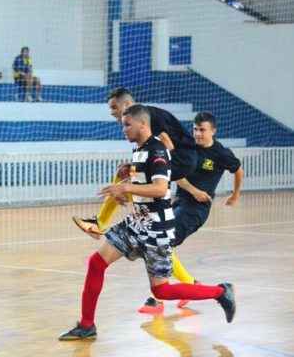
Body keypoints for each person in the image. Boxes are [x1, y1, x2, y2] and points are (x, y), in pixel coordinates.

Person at [59, 104, 236, 341]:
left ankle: (220, 292)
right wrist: (126, 188)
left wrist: (126, 186)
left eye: (127, 124)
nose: (123, 129)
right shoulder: (139, 150)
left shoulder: (158, 150)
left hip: (156, 228)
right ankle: (87, 324)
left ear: (143, 124)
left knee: (161, 289)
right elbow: (143, 186)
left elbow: (161, 188)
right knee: (96, 263)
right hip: (137, 223)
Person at [138, 111, 244, 313]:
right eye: (195, 129)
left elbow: (238, 169)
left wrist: (235, 194)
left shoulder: (221, 153)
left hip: (196, 209)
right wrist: (194, 190)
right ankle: (189, 287)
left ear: (213, 130)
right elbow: (176, 175)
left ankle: (158, 298)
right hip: (180, 201)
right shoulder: (188, 147)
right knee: (157, 241)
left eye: (202, 130)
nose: (197, 134)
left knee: (162, 242)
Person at [73, 87, 197, 239]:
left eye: (114, 107)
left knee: (135, 181)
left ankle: (104, 220)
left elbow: (167, 146)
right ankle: (102, 221)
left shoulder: (149, 117)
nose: (111, 112)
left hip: (183, 158)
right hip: (178, 158)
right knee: (124, 174)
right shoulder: (140, 118)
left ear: (126, 104)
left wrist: (131, 185)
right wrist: (134, 168)